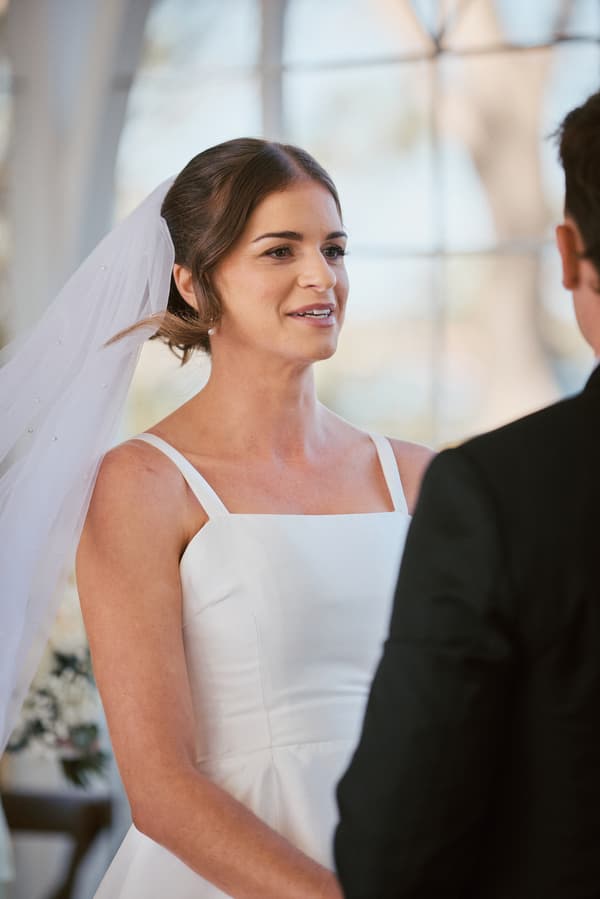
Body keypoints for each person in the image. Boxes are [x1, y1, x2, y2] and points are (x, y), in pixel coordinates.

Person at [66, 139, 432, 898]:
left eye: (333, 248)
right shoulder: (141, 485)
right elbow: (161, 786)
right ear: (195, 285)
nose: (320, 275)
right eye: (279, 250)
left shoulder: (422, 477)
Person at [334, 90, 600, 898]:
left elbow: (395, 854)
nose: (321, 275)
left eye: (337, 247)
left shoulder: (495, 492)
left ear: (569, 250)